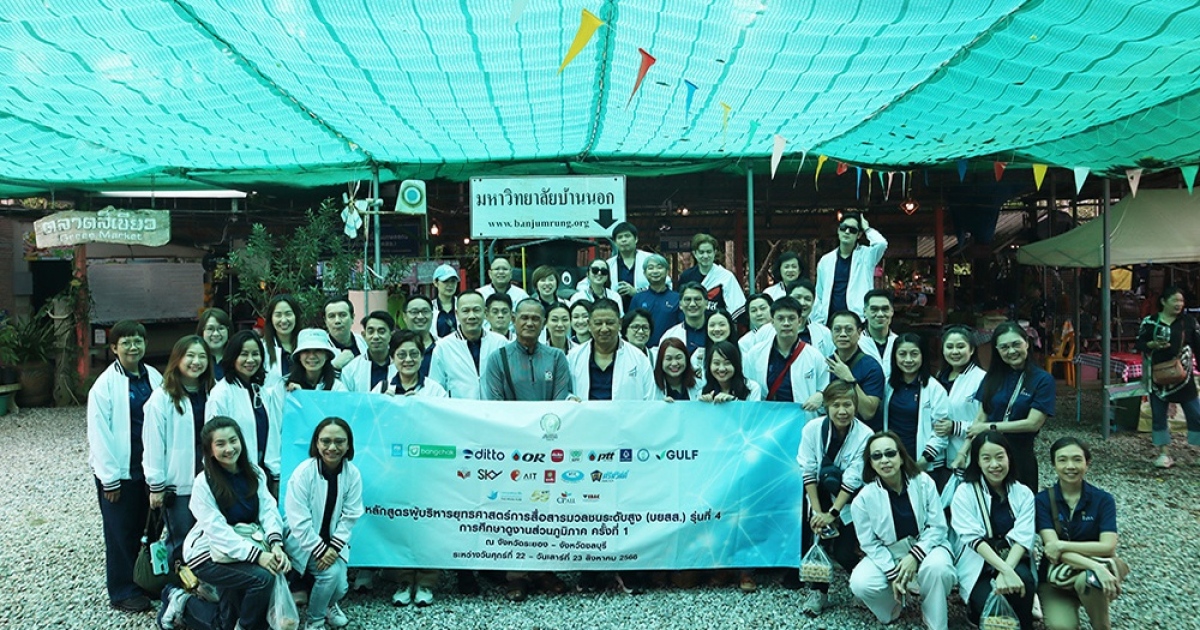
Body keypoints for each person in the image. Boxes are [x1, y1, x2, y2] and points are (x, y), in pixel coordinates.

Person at [481, 299, 572, 600]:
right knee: (515, 509)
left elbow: (560, 403)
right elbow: (495, 404)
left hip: (548, 447)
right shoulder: (498, 358)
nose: (530, 323)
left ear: (543, 322)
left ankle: (544, 570)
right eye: (524, 318)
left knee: (547, 509)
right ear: (513, 320)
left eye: (536, 318)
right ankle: (516, 575)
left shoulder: (556, 358)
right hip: (512, 449)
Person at [181, 417, 291, 630]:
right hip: (208, 554)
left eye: (233, 440)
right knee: (263, 578)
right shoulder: (204, 483)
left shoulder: (255, 472)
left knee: (225, 623)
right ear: (209, 450)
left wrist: (276, 544)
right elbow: (217, 531)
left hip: (242, 547)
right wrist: (258, 556)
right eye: (220, 444)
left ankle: (181, 603)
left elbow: (268, 510)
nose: (229, 449)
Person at [88, 320, 163, 613]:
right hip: (121, 470)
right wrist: (109, 479)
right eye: (126, 342)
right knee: (121, 531)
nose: (133, 347)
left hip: (149, 468)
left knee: (149, 528)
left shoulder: (154, 377)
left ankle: (145, 579)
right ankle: (122, 589)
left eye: (138, 341)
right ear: (114, 347)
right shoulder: (104, 386)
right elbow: (99, 435)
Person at [849, 431, 955, 630]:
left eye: (890, 453)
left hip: (927, 545)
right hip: (891, 552)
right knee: (860, 582)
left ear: (901, 456)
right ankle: (893, 606)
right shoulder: (862, 500)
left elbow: (938, 526)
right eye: (877, 456)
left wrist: (914, 556)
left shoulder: (923, 482)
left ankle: (935, 620)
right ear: (870, 463)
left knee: (939, 568)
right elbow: (870, 543)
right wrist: (892, 573)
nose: (885, 460)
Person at [794, 381, 871, 615]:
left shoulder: (865, 435)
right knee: (816, 543)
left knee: (844, 552)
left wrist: (833, 513)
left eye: (847, 404)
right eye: (836, 405)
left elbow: (854, 478)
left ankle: (864, 586)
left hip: (848, 499)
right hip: (818, 493)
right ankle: (818, 593)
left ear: (855, 405)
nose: (842, 411)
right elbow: (807, 470)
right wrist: (818, 513)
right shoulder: (812, 429)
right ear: (826, 405)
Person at [1035, 437, 1127, 630]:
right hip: (1055, 577)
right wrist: (1096, 566)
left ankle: (1101, 626)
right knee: (1061, 627)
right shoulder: (1042, 501)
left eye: (1077, 459)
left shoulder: (1103, 500)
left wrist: (1062, 545)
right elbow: (1052, 551)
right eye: (1062, 460)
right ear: (1053, 464)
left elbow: (1108, 546)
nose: (1070, 466)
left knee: (1090, 580)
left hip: (1090, 576)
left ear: (1087, 463)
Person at [951, 431, 1037, 630]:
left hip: (1012, 557)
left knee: (1023, 582)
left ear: (1009, 457)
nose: (994, 464)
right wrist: (1004, 571)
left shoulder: (1023, 493)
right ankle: (975, 612)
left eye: (1000, 457)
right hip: (979, 563)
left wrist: (1007, 571)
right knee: (989, 604)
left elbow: (1022, 537)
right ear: (977, 461)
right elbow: (973, 539)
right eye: (986, 458)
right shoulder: (965, 492)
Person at [144, 335, 214, 572]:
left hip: (210, 478)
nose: (196, 362)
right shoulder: (162, 397)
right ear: (177, 359)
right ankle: (175, 586)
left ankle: (203, 586)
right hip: (179, 481)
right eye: (190, 356)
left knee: (208, 536)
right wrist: (156, 485)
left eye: (202, 356)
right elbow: (153, 443)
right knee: (180, 539)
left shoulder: (213, 392)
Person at [286, 418, 363, 628]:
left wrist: (334, 547)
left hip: (333, 543)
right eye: (326, 441)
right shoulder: (303, 473)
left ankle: (328, 604)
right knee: (330, 575)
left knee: (341, 587)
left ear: (348, 444)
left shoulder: (352, 474)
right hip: (304, 542)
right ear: (316, 443)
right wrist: (320, 550)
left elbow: (351, 514)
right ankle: (315, 621)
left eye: (339, 441)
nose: (332, 447)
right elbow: (298, 521)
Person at [969, 322, 1054, 490]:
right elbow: (980, 418)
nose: (1011, 351)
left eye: (1016, 344)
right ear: (997, 350)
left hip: (1020, 454)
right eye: (1004, 347)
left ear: (1027, 343)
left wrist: (990, 427)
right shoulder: (992, 377)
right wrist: (964, 451)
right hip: (989, 454)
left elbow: (1033, 423)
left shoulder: (1042, 380)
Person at [208, 331, 284, 492]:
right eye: (244, 354)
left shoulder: (261, 390)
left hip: (263, 473)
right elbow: (214, 440)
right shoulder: (221, 394)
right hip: (233, 476)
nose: (250, 360)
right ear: (233, 357)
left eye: (255, 354)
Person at [1135, 285, 1200, 469]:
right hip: (1158, 377)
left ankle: (1197, 451)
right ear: (1164, 301)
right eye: (1175, 300)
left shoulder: (1188, 322)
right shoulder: (1150, 321)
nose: (1179, 304)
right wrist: (1152, 344)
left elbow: (1198, 345)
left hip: (1183, 377)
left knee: (1196, 414)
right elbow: (1139, 343)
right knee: (1158, 415)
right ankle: (1164, 453)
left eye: (1181, 301)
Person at [743, 297, 827, 419]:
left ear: (799, 321)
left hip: (802, 420)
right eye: (780, 319)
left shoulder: (814, 356)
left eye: (791, 318)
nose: (786, 323)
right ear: (772, 322)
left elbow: (825, 388)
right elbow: (747, 388)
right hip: (766, 420)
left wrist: (821, 396)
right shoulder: (755, 354)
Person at [881, 333, 950, 473]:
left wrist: (923, 461)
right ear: (894, 357)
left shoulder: (935, 389)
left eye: (914, 354)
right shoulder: (888, 385)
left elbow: (941, 432)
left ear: (923, 356)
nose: (908, 360)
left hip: (924, 463)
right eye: (902, 354)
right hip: (892, 461)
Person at [567, 298, 656, 401]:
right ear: (589, 325)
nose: (604, 329)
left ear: (620, 323)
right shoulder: (573, 357)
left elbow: (650, 400)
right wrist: (570, 398)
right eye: (598, 323)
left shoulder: (639, 359)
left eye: (610, 323)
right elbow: (564, 393)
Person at [428, 291, 508, 399]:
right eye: (465, 311)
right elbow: (435, 389)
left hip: (494, 408)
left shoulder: (500, 343)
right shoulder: (443, 347)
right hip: (459, 409)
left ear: (485, 313)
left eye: (476, 310)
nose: (471, 316)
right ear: (457, 314)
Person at [812, 212, 888, 325]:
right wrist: (819, 319)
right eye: (843, 228)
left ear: (859, 235)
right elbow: (819, 294)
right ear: (838, 231)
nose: (847, 232)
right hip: (830, 321)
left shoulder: (867, 256)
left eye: (852, 230)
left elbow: (881, 244)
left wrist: (867, 228)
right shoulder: (826, 260)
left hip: (859, 320)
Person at [934, 326, 985, 480]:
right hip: (938, 455)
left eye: (960, 346)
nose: (955, 352)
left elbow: (986, 421)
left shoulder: (982, 379)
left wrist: (955, 427)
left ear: (971, 350)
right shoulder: (939, 377)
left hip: (967, 453)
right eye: (949, 347)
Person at [826, 311, 885, 429]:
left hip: (863, 433)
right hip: (831, 431)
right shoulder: (825, 364)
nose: (843, 334)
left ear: (859, 333)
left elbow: (868, 413)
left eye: (849, 330)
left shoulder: (871, 367)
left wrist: (849, 379)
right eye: (837, 330)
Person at [677, 233, 747, 321]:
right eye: (701, 252)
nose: (705, 256)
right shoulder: (686, 277)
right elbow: (681, 305)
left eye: (709, 252)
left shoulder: (726, 277)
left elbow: (737, 309)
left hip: (718, 325)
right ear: (695, 254)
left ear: (715, 252)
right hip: (693, 324)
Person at [630, 253, 681, 348]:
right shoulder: (638, 298)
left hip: (669, 349)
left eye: (659, 267)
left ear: (667, 271)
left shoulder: (677, 298)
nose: (655, 271)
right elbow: (631, 325)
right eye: (650, 268)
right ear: (645, 273)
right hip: (642, 348)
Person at [340, 311, 396, 392]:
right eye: (371, 331)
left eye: (381, 332)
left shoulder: (400, 366)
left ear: (391, 335)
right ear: (364, 335)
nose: (376, 337)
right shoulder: (351, 369)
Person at [385, 330, 449, 398]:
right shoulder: (382, 388)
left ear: (422, 356)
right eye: (402, 354)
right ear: (392, 357)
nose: (408, 359)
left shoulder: (436, 391)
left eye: (414, 354)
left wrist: (420, 403)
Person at [659, 282, 709, 357]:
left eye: (697, 299)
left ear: (706, 303)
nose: (692, 304)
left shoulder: (716, 332)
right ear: (680, 305)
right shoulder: (670, 335)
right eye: (688, 299)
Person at [859, 290, 899, 380]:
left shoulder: (899, 343)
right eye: (874, 309)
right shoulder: (856, 344)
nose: (880, 314)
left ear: (892, 311)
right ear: (865, 312)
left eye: (885, 309)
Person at [262, 294, 300, 387]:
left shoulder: (306, 346)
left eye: (288, 314)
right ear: (271, 318)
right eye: (278, 315)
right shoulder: (262, 348)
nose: (283, 320)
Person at [323, 295, 367, 371]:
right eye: (331, 316)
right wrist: (335, 366)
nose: (337, 321)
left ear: (352, 318)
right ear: (325, 321)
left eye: (342, 315)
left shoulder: (364, 342)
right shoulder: (320, 348)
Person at [401, 295, 437, 379]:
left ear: (432, 315)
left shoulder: (443, 348)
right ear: (404, 316)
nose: (420, 316)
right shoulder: (394, 348)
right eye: (414, 312)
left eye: (425, 311)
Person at [690, 308, 735, 373]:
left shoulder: (742, 353)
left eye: (722, 325)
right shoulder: (698, 356)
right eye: (712, 325)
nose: (717, 329)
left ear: (730, 326)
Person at [197, 308, 231, 380]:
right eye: (210, 329)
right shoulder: (196, 359)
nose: (216, 334)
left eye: (221, 328)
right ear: (202, 331)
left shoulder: (236, 358)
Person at [432, 263, 460, 338]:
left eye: (453, 281)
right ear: (435, 283)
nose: (450, 285)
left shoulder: (463, 305)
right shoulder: (430, 308)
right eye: (445, 281)